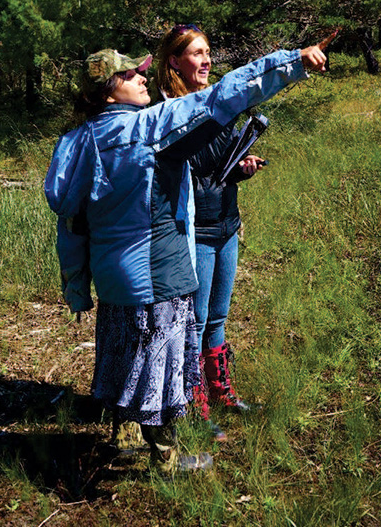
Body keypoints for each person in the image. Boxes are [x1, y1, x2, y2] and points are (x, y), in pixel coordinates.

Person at [44, 40, 328, 473]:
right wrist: (292, 63)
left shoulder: (79, 142)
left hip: (114, 274)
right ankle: (168, 460)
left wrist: (76, 285)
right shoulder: (148, 128)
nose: (142, 77)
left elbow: (72, 224)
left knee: (125, 353)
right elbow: (224, 94)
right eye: (129, 74)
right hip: (157, 271)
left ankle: (125, 435)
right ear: (107, 92)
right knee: (157, 362)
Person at [155, 25, 264, 442]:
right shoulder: (174, 111)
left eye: (208, 52)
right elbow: (192, 165)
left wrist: (241, 167)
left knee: (217, 317)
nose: (206, 61)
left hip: (225, 224)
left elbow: (218, 163)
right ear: (174, 61)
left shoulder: (213, 108)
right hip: (195, 231)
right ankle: (192, 402)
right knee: (194, 323)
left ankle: (220, 390)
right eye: (197, 53)